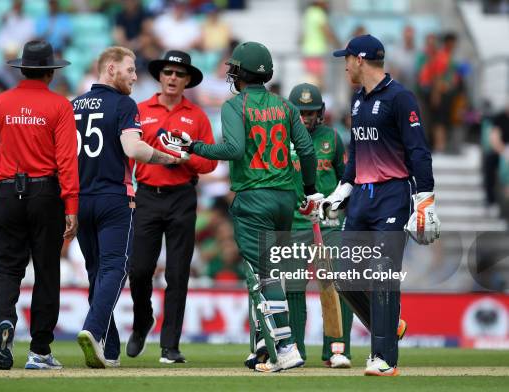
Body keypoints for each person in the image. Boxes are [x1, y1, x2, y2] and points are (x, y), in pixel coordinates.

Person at [170, 42, 320, 372]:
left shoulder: (235, 106)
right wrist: (309, 189)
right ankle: (265, 343)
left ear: (241, 72)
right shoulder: (285, 106)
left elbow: (234, 149)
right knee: (270, 273)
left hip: (254, 197)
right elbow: (307, 151)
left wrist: (194, 147)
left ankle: (286, 346)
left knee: (262, 276)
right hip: (284, 200)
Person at [326, 34, 440, 376]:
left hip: (392, 193)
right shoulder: (358, 100)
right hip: (362, 197)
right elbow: (357, 152)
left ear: (360, 59)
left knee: (382, 275)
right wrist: (341, 190)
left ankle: (384, 358)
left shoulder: (401, 98)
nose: (344, 64)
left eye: (346, 58)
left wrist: (426, 199)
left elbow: (418, 150)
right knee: (343, 274)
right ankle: (389, 325)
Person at [73, 46, 187, 369]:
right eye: (130, 69)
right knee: (114, 268)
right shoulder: (124, 104)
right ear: (110, 69)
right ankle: (93, 331)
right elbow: (133, 148)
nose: (136, 76)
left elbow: (64, 158)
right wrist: (170, 158)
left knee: (96, 272)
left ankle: (108, 350)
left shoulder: (74, 106)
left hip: (80, 198)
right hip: (113, 198)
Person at [0, 40, 79, 371]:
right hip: (45, 194)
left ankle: (5, 321)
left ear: (22, 68)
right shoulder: (60, 107)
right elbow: (67, 161)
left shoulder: (0, 104)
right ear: (51, 72)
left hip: (8, 193)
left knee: (8, 267)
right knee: (47, 272)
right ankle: (39, 351)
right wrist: (71, 206)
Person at [126, 50, 217, 364]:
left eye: (179, 74)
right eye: (168, 73)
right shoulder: (139, 111)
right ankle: (142, 322)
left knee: (178, 274)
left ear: (188, 79)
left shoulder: (198, 116)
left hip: (181, 197)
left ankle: (170, 345)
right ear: (160, 76)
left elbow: (210, 164)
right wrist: (127, 187)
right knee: (138, 270)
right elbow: (127, 153)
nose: (173, 78)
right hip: (147, 196)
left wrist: (188, 156)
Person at [286, 82, 354, 368]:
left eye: (311, 113)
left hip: (328, 225)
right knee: (292, 288)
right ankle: (296, 351)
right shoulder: (279, 139)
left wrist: (337, 209)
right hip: (293, 224)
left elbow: (346, 179)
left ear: (321, 112)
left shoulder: (333, 138)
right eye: (300, 113)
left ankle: (337, 349)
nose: (305, 118)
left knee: (336, 284)